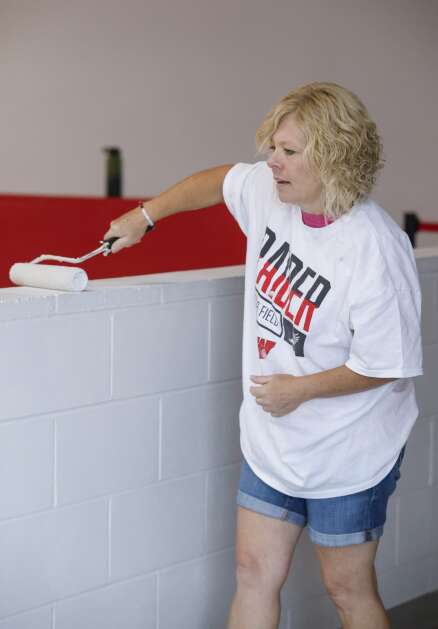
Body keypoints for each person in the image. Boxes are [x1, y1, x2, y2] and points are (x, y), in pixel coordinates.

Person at [103, 82, 423, 629]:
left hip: (350, 451)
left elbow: (387, 363)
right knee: (253, 572)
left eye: (289, 152)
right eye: (273, 147)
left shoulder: (374, 247)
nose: (271, 161)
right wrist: (146, 216)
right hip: (273, 442)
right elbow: (220, 180)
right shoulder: (272, 194)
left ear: (334, 155)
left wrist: (300, 389)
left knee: (346, 589)